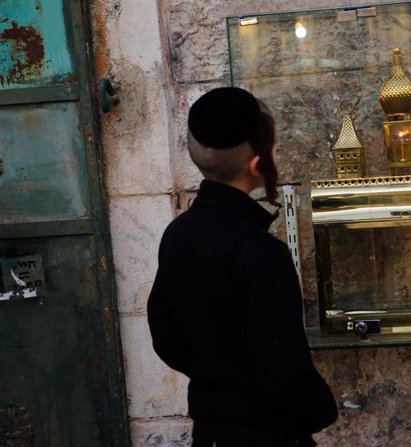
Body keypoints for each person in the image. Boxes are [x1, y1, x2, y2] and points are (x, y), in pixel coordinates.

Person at [147, 87, 338, 446]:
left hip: (212, 430)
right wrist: (321, 411)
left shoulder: (177, 234)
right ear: (256, 166)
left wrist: (218, 375)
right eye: (275, 150)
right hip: (269, 434)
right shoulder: (262, 252)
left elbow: (166, 335)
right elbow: (283, 363)